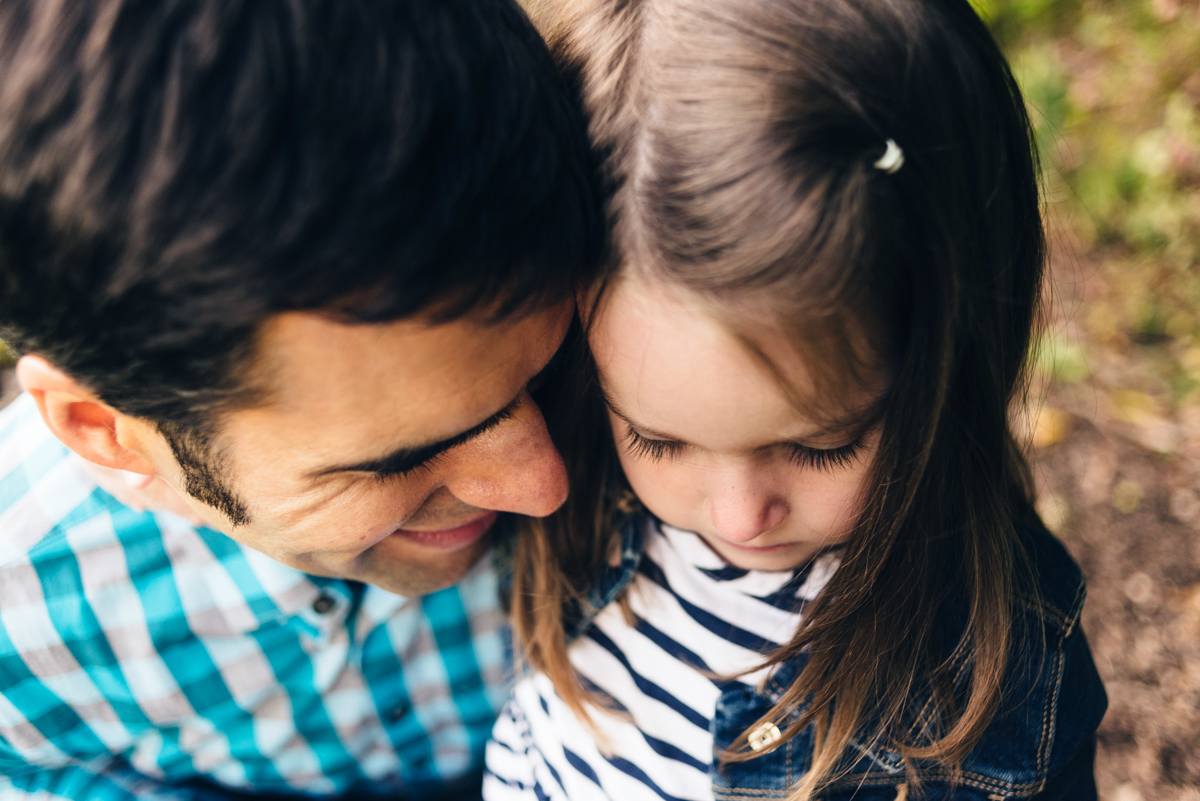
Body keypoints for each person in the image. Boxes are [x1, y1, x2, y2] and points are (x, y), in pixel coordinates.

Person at [484, 0, 1108, 799]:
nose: (740, 516)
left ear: (948, 356)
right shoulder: (569, 489)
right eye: (657, 440)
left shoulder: (1000, 672)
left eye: (821, 446)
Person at [0, 0, 605, 798]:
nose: (544, 483)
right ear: (105, 431)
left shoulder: (688, 428)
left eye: (549, 370)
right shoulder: (22, 633)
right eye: (404, 457)